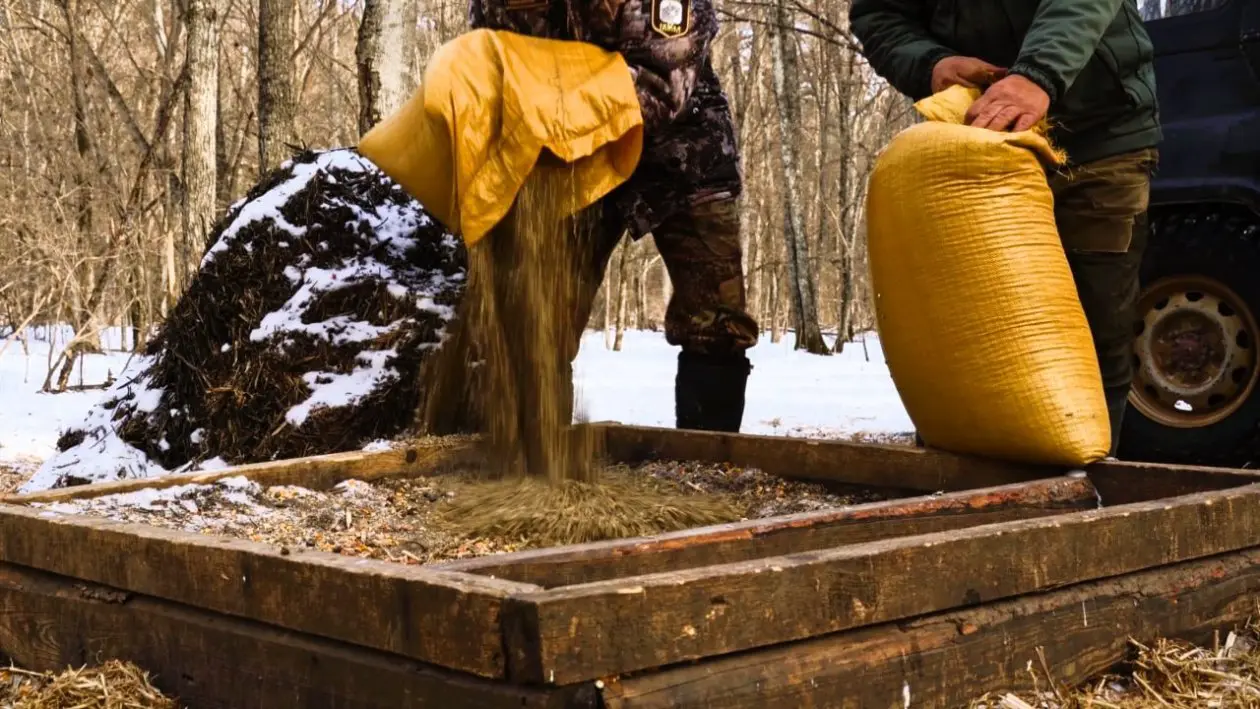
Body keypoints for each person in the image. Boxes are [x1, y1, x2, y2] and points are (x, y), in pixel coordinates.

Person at [850, 0, 1162, 457]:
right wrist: (932, 64)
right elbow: (878, 14)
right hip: (974, 143)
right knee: (964, 328)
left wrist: (1037, 75)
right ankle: (959, 494)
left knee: (1098, 323)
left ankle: (1092, 481)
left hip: (1099, 134)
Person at [467, 0, 760, 433]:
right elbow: (485, 61)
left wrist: (549, 118)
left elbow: (664, 86)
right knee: (535, 317)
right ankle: (533, 463)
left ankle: (707, 466)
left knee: (715, 320)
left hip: (682, 154)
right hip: (568, 158)